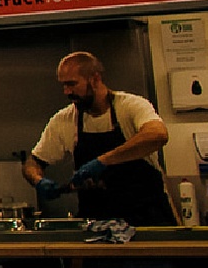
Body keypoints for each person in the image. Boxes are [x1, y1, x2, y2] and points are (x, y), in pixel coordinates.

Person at [22, 51, 174, 226]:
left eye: (72, 84)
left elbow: (157, 135)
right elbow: (33, 162)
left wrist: (102, 161)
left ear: (95, 79)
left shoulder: (130, 106)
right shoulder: (64, 119)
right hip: (97, 225)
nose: (66, 91)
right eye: (63, 85)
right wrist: (38, 180)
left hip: (147, 221)